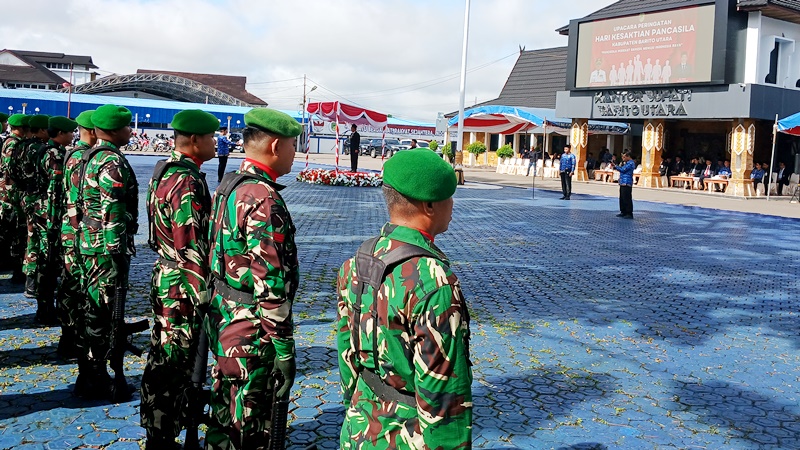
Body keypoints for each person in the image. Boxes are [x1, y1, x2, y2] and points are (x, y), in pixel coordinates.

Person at [337, 149, 472, 449]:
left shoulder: (358, 260)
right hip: (408, 435)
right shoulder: (433, 282)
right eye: (449, 197)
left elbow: (347, 354)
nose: (452, 205)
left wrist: (357, 408)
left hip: (359, 427)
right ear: (429, 205)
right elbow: (442, 394)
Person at [205, 108, 301, 449]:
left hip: (226, 317)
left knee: (227, 413)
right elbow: (269, 283)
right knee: (249, 423)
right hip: (253, 331)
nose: (296, 152)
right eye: (293, 145)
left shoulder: (230, 184)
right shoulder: (263, 197)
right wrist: (284, 347)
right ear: (275, 146)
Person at [140, 110, 218, 449]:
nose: (216, 143)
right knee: (174, 361)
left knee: (164, 354)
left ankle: (160, 429)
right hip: (181, 283)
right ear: (196, 140)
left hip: (167, 275)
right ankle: (162, 436)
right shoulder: (185, 181)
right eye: (212, 137)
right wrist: (207, 299)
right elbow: (188, 246)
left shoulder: (165, 170)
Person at [75, 104, 139, 401]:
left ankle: (90, 371)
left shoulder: (91, 156)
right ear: (115, 131)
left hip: (91, 243)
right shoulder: (111, 161)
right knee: (103, 311)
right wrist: (116, 250)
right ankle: (96, 376)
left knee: (94, 309)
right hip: (105, 249)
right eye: (127, 127)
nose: (131, 131)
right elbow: (112, 208)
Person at [58, 110, 96, 360]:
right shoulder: (87, 158)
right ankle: (78, 341)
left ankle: (68, 337)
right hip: (82, 231)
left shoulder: (71, 155)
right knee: (82, 288)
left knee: (70, 284)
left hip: (69, 227)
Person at [38, 116, 79, 347]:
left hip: (45, 214)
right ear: (61, 133)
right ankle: (45, 309)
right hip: (50, 217)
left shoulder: (53, 151)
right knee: (50, 264)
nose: (72, 135)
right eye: (70, 132)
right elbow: (54, 191)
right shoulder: (54, 154)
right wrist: (53, 224)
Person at [20, 114, 52, 310]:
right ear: (41, 130)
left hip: (26, 196)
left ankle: (29, 282)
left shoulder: (19, 146)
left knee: (31, 239)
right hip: (40, 201)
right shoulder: (42, 150)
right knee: (42, 245)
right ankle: (36, 286)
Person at [0, 113, 28, 284]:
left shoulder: (11, 142)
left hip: (10, 194)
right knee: (12, 232)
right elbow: (11, 170)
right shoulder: (14, 144)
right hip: (11, 195)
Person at [612, 150, 636, 219]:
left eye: (624, 157)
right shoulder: (626, 163)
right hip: (623, 181)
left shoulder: (631, 163)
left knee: (627, 198)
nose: (623, 158)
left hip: (627, 182)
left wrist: (616, 166)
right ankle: (623, 211)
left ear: (628, 156)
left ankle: (629, 213)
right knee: (622, 198)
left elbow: (623, 170)